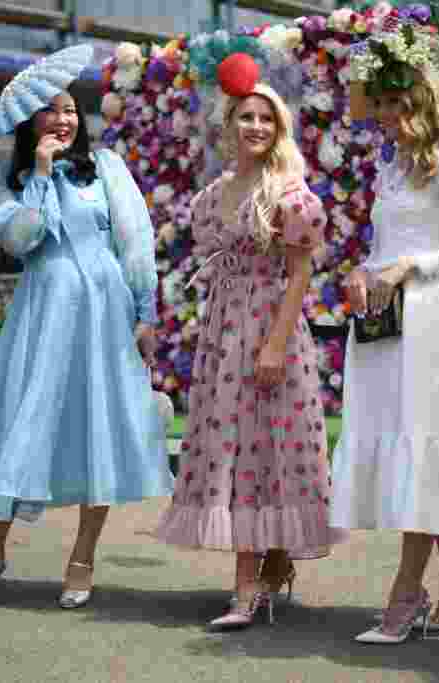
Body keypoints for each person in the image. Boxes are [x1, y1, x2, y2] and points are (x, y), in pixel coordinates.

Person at [0, 44, 173, 607]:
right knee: (19, 425)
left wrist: (146, 316)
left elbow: (136, 246)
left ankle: (83, 558)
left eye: (71, 108)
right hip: (43, 316)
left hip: (105, 316)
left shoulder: (109, 170)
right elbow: (25, 241)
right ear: (30, 122)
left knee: (98, 427)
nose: (65, 118)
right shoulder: (9, 180)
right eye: (51, 110)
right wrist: (42, 174)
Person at [329, 18, 439, 644]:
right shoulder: (390, 170)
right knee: (411, 447)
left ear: (424, 105)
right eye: (384, 107)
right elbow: (385, 243)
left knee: (423, 444)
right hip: (386, 326)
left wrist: (412, 266)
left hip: (432, 323)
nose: (390, 119)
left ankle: (407, 595)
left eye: (401, 107)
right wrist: (365, 269)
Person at [154, 54, 338, 630]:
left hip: (272, 329)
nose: (256, 127)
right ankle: (269, 570)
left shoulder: (291, 194)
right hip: (222, 334)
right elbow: (213, 261)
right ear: (228, 124)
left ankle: (247, 589)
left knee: (270, 454)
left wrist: (275, 345)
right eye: (247, 117)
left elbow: (301, 276)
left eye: (267, 119)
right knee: (237, 453)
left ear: (278, 129)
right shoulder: (211, 196)